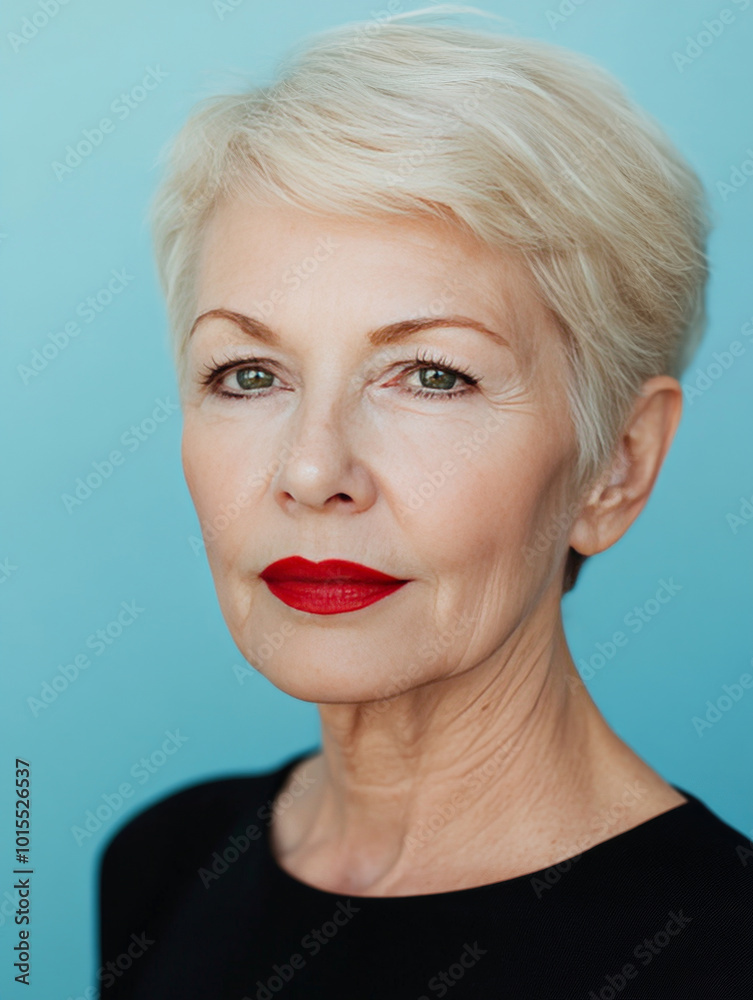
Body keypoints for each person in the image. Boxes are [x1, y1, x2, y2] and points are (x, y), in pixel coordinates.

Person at [97, 6, 751, 997]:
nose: (313, 472)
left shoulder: (720, 951)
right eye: (247, 373)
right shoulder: (165, 861)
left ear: (615, 464)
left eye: (433, 375)